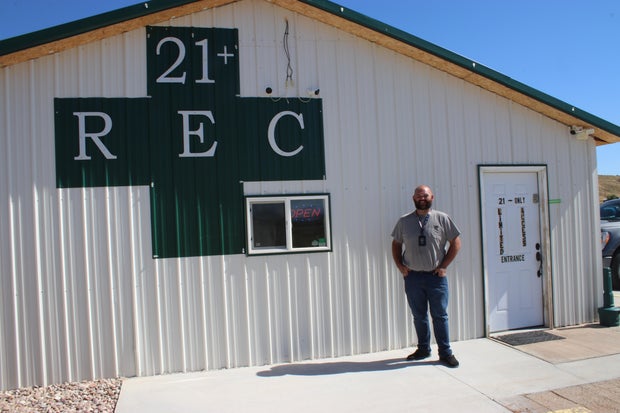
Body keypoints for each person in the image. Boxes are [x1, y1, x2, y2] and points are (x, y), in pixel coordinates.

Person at [391, 185, 462, 368]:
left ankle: (445, 353)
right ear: (413, 197)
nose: (422, 198)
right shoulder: (404, 221)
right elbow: (396, 244)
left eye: (425, 195)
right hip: (413, 277)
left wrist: (444, 266)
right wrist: (400, 266)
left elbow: (456, 242)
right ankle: (423, 349)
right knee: (419, 315)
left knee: (440, 315)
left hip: (435, 278)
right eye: (418, 195)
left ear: (432, 197)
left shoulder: (442, 219)